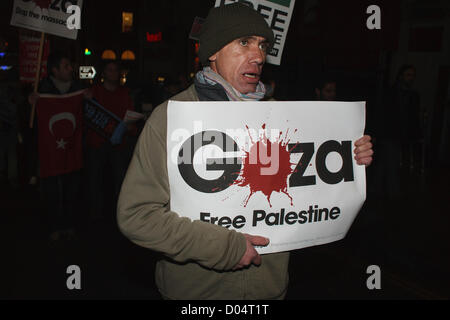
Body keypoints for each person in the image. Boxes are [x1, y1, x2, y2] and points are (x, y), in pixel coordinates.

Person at [117, 3, 374, 300]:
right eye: (244, 42)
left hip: (269, 290)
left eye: (262, 45)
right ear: (212, 52)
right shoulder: (171, 117)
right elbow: (138, 216)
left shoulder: (284, 117)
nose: (259, 56)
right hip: (197, 295)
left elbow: (307, 193)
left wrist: (348, 160)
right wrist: (224, 248)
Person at [28, 51, 87, 241]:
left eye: (70, 66)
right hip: (50, 150)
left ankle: (68, 224)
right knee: (52, 190)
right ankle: (54, 225)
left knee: (72, 189)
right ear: (54, 70)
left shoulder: (79, 88)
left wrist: (89, 99)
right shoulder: (42, 88)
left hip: (72, 149)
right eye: (66, 66)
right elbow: (29, 123)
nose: (71, 69)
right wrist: (31, 104)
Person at [84, 60, 137, 222]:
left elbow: (131, 117)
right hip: (97, 143)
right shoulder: (94, 92)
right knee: (95, 180)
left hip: (118, 144)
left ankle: (119, 214)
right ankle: (96, 214)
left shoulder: (124, 94)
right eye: (109, 70)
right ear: (104, 73)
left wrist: (130, 126)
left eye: (115, 70)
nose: (113, 73)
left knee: (119, 180)